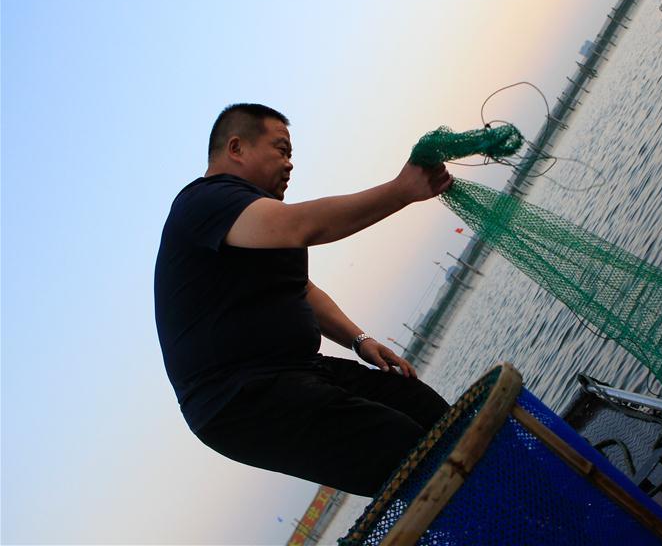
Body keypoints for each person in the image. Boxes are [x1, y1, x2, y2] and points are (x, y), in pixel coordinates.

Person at [154, 103, 453, 496]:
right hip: (235, 398)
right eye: (282, 149)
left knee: (423, 409)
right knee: (400, 445)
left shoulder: (255, 219)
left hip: (298, 368)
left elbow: (302, 289)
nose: (290, 164)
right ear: (236, 148)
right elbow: (303, 225)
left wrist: (360, 341)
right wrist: (401, 191)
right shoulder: (203, 202)